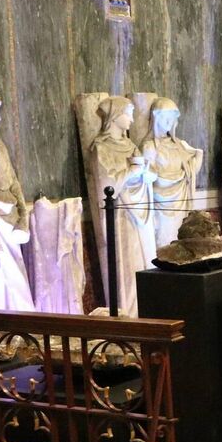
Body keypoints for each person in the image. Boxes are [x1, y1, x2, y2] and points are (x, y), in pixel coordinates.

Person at [89, 96, 156, 317]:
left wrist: (146, 174)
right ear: (115, 116)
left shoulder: (131, 146)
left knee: (144, 261)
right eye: (128, 114)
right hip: (120, 217)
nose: (132, 119)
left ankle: (147, 311)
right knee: (127, 265)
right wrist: (130, 172)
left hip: (140, 213)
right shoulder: (101, 148)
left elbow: (145, 176)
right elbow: (106, 187)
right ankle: (129, 314)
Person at [0, 92, 35, 312]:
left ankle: (20, 319)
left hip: (9, 217)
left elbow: (14, 182)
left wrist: (23, 217)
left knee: (16, 275)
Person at [142, 97, 204, 247]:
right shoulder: (149, 147)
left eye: (172, 118)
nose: (170, 122)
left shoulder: (179, 145)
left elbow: (191, 172)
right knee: (164, 243)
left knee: (181, 243)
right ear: (157, 117)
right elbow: (147, 178)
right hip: (161, 205)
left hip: (180, 201)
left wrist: (199, 154)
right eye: (166, 117)